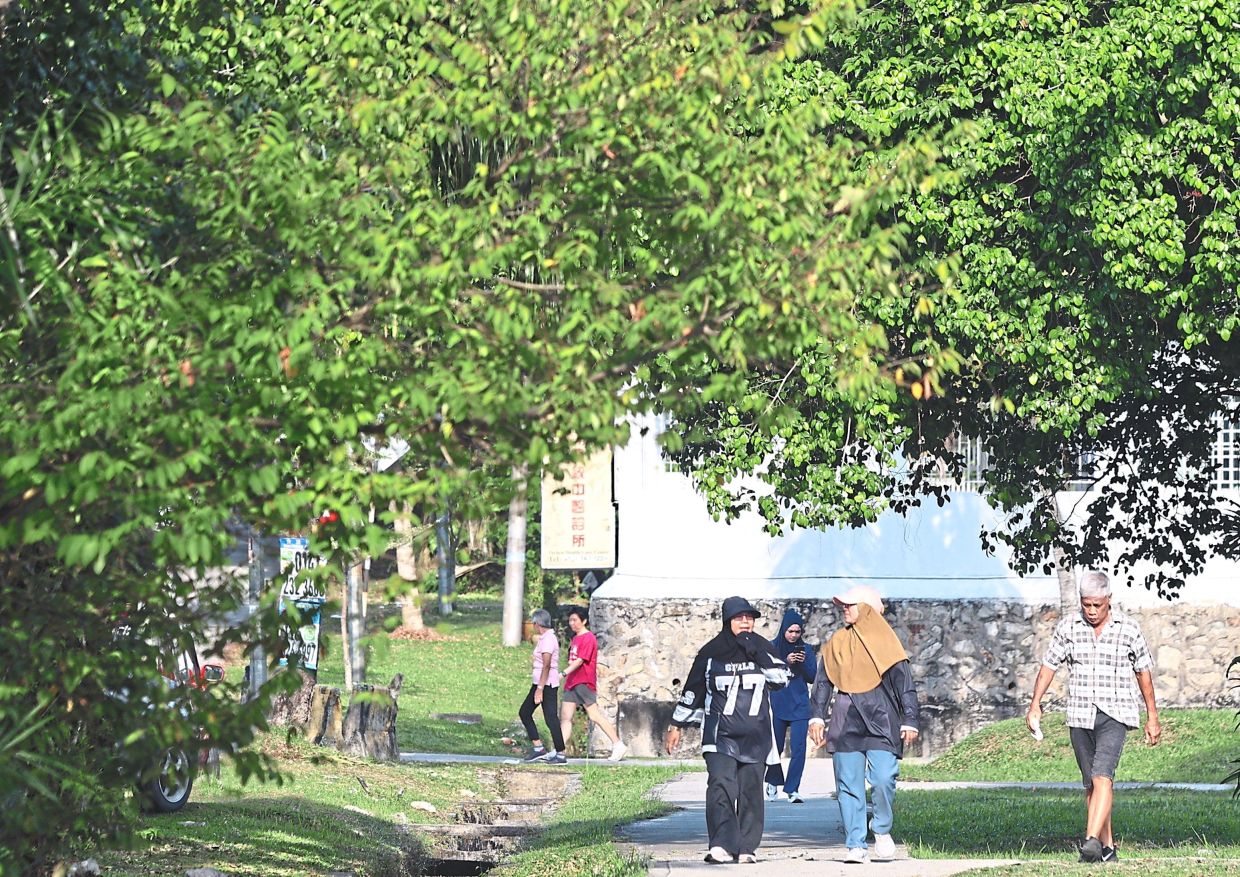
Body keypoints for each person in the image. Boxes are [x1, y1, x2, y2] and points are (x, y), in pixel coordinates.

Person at [1026, 571, 1160, 864]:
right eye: (1086, 604)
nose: (1091, 610)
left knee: (1103, 777)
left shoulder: (1129, 629)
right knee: (1091, 784)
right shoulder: (1068, 627)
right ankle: (1107, 847)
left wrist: (1152, 715)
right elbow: (1049, 665)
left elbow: (1143, 672)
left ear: (1108, 600)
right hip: (1080, 714)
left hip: (1115, 713)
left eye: (1097, 605)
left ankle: (1089, 843)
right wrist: (1035, 704)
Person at [665, 596, 790, 865]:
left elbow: (781, 680)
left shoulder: (764, 648)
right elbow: (693, 689)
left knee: (751, 792)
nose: (745, 622)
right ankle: (721, 844)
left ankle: (746, 847)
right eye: (738, 618)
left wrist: (754, 651)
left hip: (756, 735)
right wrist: (676, 725)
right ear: (727, 621)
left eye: (750, 618)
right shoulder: (710, 652)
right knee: (721, 785)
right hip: (720, 736)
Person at [808, 586, 919, 864]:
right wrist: (817, 715)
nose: (844, 609)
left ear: (867, 608)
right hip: (846, 719)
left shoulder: (888, 642)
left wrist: (910, 720)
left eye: (850, 604)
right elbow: (823, 681)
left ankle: (881, 830)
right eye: (842, 605)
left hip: (882, 718)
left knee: (883, 779)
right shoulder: (837, 642)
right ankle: (855, 843)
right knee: (848, 783)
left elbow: (905, 686)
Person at [559, 606, 628, 761]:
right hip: (572, 683)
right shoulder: (575, 638)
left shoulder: (588, 638)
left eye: (575, 620)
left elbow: (580, 660)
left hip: (583, 682)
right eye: (570, 620)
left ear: (583, 621)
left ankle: (618, 744)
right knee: (565, 717)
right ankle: (559, 750)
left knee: (594, 715)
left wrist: (563, 673)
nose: (572, 623)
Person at [765, 608, 815, 804]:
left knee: (799, 748)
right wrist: (785, 662)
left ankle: (793, 789)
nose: (794, 635)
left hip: (800, 705)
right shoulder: (772, 647)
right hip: (778, 702)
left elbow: (812, 677)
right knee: (774, 748)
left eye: (797, 632)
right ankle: (772, 782)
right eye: (790, 631)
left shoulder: (807, 650)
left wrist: (801, 663)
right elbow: (767, 673)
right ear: (783, 630)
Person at [518, 608, 567, 764]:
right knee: (525, 713)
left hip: (546, 684)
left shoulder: (548, 639)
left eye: (533, 623)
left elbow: (546, 665)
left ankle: (560, 754)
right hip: (540, 683)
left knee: (550, 718)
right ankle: (538, 748)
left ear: (538, 623)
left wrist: (540, 689)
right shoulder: (545, 638)